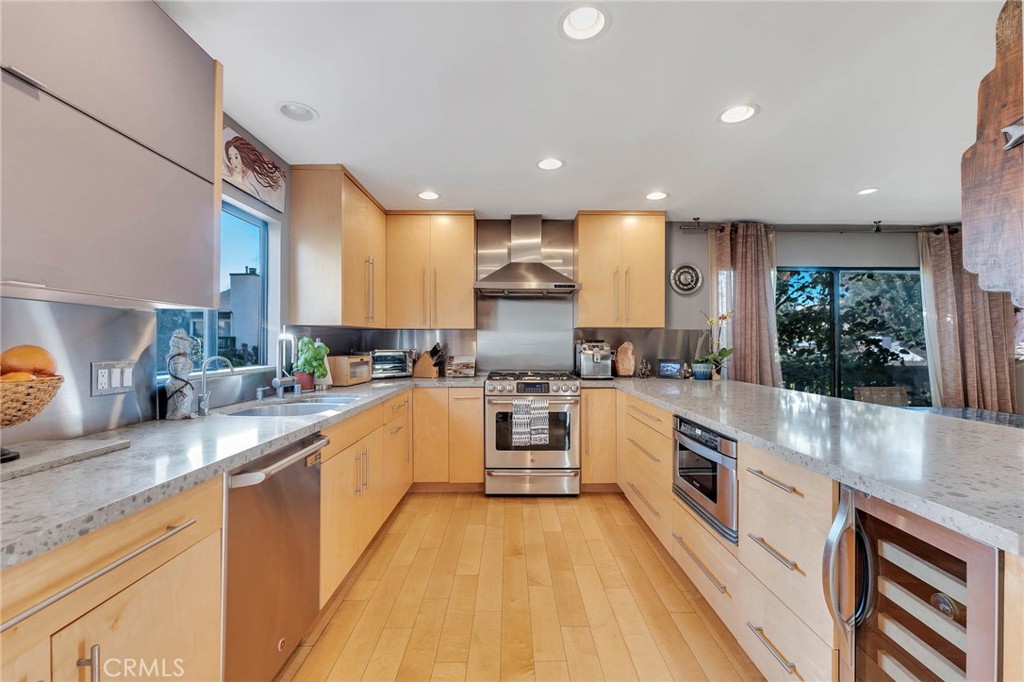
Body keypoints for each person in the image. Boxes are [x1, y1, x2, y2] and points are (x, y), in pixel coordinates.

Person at [224, 135, 285, 209]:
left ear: (243, 156)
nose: (234, 162)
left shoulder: (252, 181)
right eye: (230, 158)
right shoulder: (229, 179)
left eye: (236, 157)